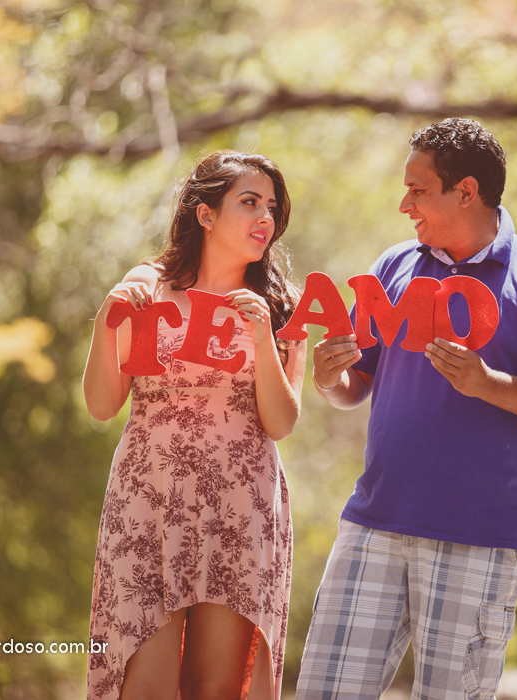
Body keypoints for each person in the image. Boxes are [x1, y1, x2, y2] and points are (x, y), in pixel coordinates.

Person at [297, 118, 517, 700]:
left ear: (466, 191)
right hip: (373, 522)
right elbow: (352, 388)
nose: (403, 203)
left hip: (481, 534)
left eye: (417, 189)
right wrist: (329, 379)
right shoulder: (395, 266)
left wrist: (489, 384)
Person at [82, 151, 306, 700]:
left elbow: (280, 422)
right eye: (249, 202)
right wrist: (107, 321)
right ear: (205, 215)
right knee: (144, 679)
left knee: (218, 685)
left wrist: (259, 337)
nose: (265, 219)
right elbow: (102, 404)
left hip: (240, 503)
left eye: (272, 208)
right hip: (149, 498)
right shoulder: (147, 288)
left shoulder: (280, 310)